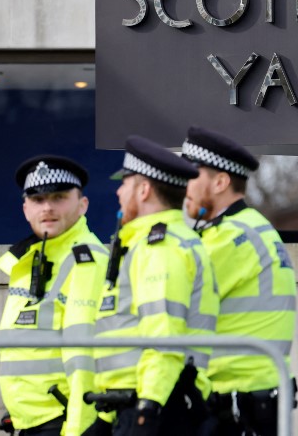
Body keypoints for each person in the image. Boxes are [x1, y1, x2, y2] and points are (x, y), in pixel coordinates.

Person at [83, 135, 219, 436]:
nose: (118, 192)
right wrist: (106, 421)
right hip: (134, 404)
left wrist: (148, 409)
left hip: (158, 406)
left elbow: (164, 337)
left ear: (143, 190)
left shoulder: (161, 247)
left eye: (125, 184)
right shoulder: (145, 244)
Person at [182, 126, 297, 436]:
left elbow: (172, 299)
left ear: (220, 182)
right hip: (253, 396)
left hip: (235, 399)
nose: (183, 185)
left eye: (192, 175)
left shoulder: (229, 237)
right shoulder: (252, 226)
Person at [0, 155, 109, 436]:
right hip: (30, 423)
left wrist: (78, 429)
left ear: (82, 205)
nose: (47, 207)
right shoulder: (33, 258)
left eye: (59, 197)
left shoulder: (86, 260)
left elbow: (86, 356)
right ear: (25, 209)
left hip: (63, 423)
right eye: (37, 199)